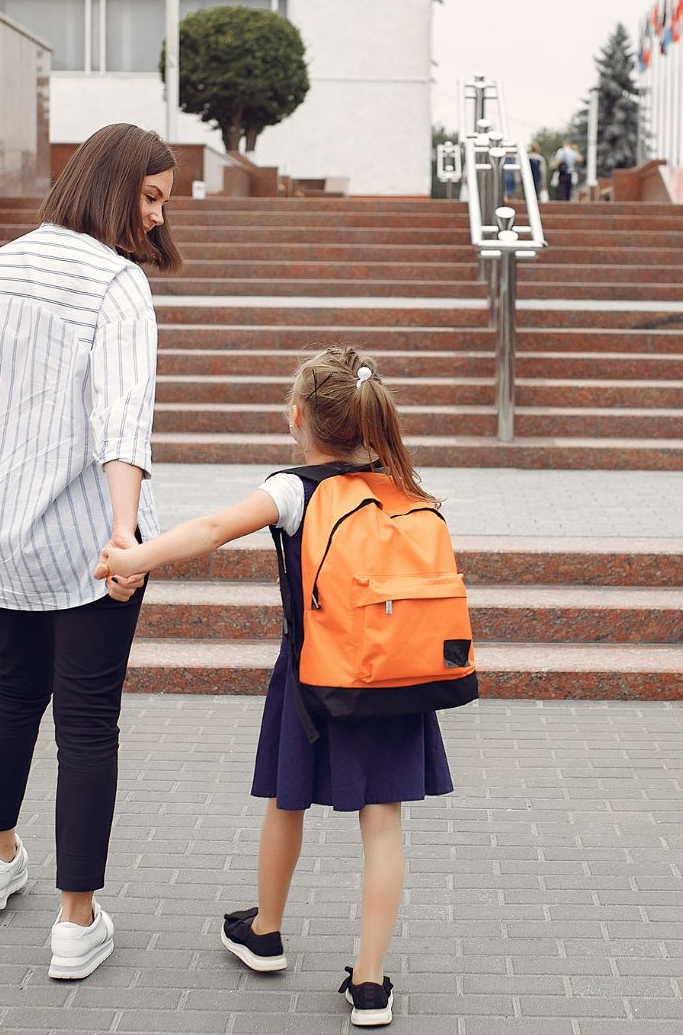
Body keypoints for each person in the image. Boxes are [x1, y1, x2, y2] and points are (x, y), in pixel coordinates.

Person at [94, 346, 454, 1028]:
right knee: (383, 826)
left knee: (287, 801)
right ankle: (370, 985)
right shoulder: (402, 486)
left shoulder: (294, 488)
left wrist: (133, 556)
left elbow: (211, 529)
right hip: (396, 676)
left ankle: (265, 930)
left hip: (315, 675)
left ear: (298, 416)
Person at [0, 122, 181, 981]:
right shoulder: (115, 286)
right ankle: (76, 921)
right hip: (78, 538)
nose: (153, 220)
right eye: (149, 198)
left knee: (16, 686)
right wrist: (123, 536)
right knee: (87, 720)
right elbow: (122, 420)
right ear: (111, 187)